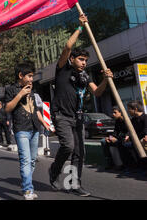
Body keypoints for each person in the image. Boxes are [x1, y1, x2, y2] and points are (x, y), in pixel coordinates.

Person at [48, 14, 113, 197]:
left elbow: (97, 92)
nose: (84, 63)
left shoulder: (86, 76)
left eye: (85, 60)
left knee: (79, 153)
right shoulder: (63, 69)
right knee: (68, 146)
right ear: (72, 59)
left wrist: (106, 80)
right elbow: (68, 46)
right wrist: (80, 27)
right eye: (80, 59)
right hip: (61, 115)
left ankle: (75, 184)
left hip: (77, 117)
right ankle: (55, 169)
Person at [5, 61, 48, 200]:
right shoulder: (11, 89)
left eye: (32, 76)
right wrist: (20, 94)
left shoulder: (32, 91)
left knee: (33, 160)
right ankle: (28, 190)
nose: (31, 79)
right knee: (25, 160)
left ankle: (25, 183)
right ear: (20, 75)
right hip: (21, 129)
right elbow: (8, 108)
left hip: (35, 128)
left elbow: (36, 111)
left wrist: (45, 124)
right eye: (29, 76)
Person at [100, 106, 129, 170]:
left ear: (120, 113)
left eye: (115, 112)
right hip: (118, 138)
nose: (113, 114)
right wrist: (109, 137)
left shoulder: (126, 121)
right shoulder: (117, 121)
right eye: (112, 112)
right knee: (103, 141)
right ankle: (110, 163)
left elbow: (127, 133)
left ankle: (121, 164)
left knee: (117, 143)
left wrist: (117, 138)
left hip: (124, 139)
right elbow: (115, 132)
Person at [125, 100, 147, 170]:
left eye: (129, 109)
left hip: (143, 138)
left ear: (135, 109)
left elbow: (146, 129)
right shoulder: (133, 119)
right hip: (137, 139)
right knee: (125, 144)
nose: (128, 111)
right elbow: (131, 129)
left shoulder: (145, 117)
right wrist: (128, 135)